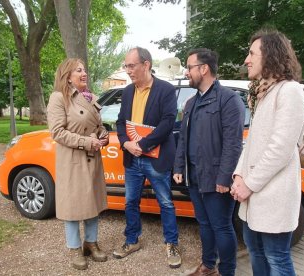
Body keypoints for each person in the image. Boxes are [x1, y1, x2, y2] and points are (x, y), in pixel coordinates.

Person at [230, 29, 304, 276]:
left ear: (271, 55)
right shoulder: (263, 93)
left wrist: (248, 184)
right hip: (255, 194)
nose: (246, 59)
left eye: (252, 53)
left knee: (277, 257)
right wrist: (238, 175)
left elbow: (280, 149)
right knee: (255, 250)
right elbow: (252, 142)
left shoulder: (290, 91)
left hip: (273, 195)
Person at [173, 48, 245, 276]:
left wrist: (225, 178)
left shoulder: (229, 100)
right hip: (195, 177)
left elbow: (233, 144)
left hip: (216, 179)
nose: (186, 72)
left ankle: (227, 271)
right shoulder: (191, 103)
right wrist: (179, 167)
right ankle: (207, 266)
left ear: (204, 69)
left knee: (222, 226)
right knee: (203, 224)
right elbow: (183, 138)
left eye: (190, 67)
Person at [114, 47, 181, 268]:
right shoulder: (127, 92)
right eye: (126, 66)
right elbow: (121, 122)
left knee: (165, 203)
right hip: (132, 158)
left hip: (155, 157)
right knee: (130, 201)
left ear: (146, 64)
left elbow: (167, 123)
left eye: (131, 66)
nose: (128, 71)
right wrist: (125, 143)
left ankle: (171, 243)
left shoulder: (166, 90)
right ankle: (132, 240)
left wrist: (141, 145)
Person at [47, 58, 109, 270]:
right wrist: (87, 142)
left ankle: (90, 243)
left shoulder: (90, 97)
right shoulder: (58, 98)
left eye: (84, 70)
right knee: (73, 205)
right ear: (67, 76)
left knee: (92, 202)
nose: (84, 73)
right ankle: (74, 248)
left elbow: (98, 125)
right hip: (73, 160)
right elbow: (57, 132)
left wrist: (103, 134)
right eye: (78, 70)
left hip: (92, 158)